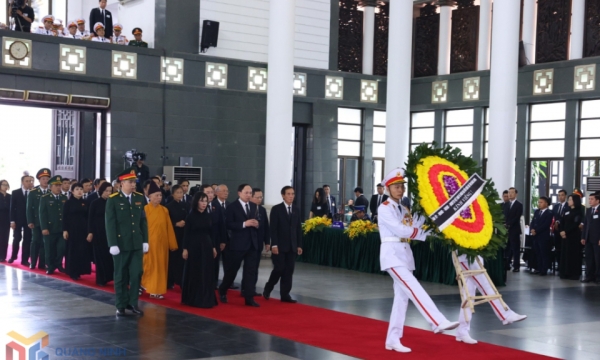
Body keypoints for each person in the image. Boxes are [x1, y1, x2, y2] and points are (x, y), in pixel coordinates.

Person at [378, 168, 458, 353]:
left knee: (401, 299)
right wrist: (419, 232)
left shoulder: (404, 208)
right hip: (392, 254)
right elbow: (401, 230)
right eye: (396, 187)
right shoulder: (384, 208)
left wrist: (433, 223)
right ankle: (437, 321)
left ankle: (393, 339)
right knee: (414, 288)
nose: (400, 190)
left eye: (402, 187)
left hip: (404, 254)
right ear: (388, 189)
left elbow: (414, 225)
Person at [455, 254, 527, 344]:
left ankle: (462, 330)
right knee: (485, 286)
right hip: (465, 256)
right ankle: (505, 314)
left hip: (474, 254)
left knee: (468, 292)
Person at [106, 168, 148, 316]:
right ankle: (121, 304)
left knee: (136, 273)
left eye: (134, 182)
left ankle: (133, 303)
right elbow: (110, 223)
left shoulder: (139, 198)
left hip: (136, 243)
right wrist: (112, 243)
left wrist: (145, 240)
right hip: (120, 243)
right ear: (122, 183)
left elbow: (143, 221)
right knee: (120, 275)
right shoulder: (113, 199)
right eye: (130, 182)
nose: (133, 185)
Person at [218, 184, 260, 307]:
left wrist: (257, 224)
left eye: (250, 193)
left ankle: (249, 297)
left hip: (252, 244)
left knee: (250, 272)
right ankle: (223, 290)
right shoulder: (232, 207)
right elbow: (228, 224)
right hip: (237, 244)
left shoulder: (254, 206)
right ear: (239, 193)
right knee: (232, 270)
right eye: (246, 193)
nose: (249, 195)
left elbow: (259, 221)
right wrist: (244, 224)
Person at [263, 186, 302, 303]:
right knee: (279, 269)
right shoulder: (276, 209)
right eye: (288, 194)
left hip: (292, 246)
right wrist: (273, 245)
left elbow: (298, 229)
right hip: (279, 246)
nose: (291, 196)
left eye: (293, 194)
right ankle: (268, 287)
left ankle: (285, 294)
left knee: (289, 270)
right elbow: (273, 229)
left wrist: (299, 245)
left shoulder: (296, 209)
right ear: (283, 195)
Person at [181, 192, 218, 308]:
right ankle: (193, 298)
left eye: (206, 201)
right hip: (194, 246)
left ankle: (206, 297)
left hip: (207, 246)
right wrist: (185, 249)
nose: (204, 203)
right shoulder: (191, 216)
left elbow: (211, 233)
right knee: (195, 271)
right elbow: (186, 234)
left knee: (206, 271)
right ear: (196, 202)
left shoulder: (208, 216)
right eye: (202, 201)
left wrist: (213, 247)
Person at [141, 181, 178, 299]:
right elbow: (141, 227)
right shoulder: (145, 209)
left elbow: (169, 228)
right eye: (156, 195)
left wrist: (172, 243)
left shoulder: (164, 210)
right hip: (149, 244)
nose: (159, 197)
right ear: (149, 196)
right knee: (149, 266)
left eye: (160, 195)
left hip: (162, 244)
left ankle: (156, 290)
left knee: (161, 267)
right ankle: (145, 286)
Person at [39, 175, 68, 275]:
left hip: (61, 229)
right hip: (50, 229)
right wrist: (44, 227)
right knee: (49, 249)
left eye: (59, 185)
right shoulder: (45, 198)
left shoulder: (64, 198)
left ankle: (59, 264)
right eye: (56, 185)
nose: (58, 187)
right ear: (50, 187)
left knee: (61, 248)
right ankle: (50, 266)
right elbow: (42, 214)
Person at [62, 183, 91, 280]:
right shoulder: (68, 203)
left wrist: (89, 231)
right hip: (72, 230)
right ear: (72, 191)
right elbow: (65, 217)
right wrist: (65, 230)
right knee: (72, 251)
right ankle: (72, 271)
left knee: (82, 250)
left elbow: (88, 217)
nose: (79, 191)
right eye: (77, 189)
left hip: (83, 230)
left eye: (81, 189)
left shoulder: (86, 202)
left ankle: (80, 270)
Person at [88, 182, 114, 286]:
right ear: (101, 191)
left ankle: (109, 277)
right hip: (98, 233)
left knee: (109, 256)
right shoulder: (95, 203)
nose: (108, 193)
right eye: (106, 191)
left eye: (110, 191)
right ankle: (101, 279)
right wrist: (90, 232)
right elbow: (90, 219)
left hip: (110, 232)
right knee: (100, 256)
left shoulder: (112, 202)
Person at [246, 188, 269, 297]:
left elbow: (266, 227)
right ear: (251, 197)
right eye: (257, 197)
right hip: (247, 243)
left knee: (255, 267)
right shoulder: (247, 208)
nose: (260, 199)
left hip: (258, 243)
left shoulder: (262, 210)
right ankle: (245, 289)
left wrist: (267, 242)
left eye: (261, 197)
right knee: (248, 268)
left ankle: (252, 289)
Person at [165, 184, 189, 289]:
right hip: (173, 234)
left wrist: (185, 222)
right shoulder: (168, 206)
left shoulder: (186, 205)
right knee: (172, 259)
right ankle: (170, 281)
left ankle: (180, 280)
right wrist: (176, 224)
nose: (180, 194)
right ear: (173, 194)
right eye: (177, 193)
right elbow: (166, 222)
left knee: (182, 259)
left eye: (181, 192)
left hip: (183, 234)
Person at [27, 168, 51, 270]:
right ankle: (33, 262)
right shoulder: (33, 192)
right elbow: (29, 208)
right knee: (35, 242)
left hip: (48, 223)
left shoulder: (51, 192)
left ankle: (42, 263)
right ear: (39, 180)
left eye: (47, 179)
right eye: (43, 179)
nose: (46, 181)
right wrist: (30, 221)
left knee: (45, 243)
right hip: (36, 222)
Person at [9, 174, 33, 266]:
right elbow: (12, 208)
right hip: (18, 220)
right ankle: (13, 256)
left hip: (29, 220)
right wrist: (12, 221)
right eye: (27, 181)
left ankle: (25, 259)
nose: (29, 183)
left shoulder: (33, 192)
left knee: (27, 240)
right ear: (22, 182)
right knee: (17, 238)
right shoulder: (15, 192)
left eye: (30, 181)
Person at [559, 194, 583, 280]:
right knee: (565, 254)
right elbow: (562, 221)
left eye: (570, 200)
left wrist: (566, 231)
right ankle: (564, 272)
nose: (568, 201)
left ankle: (573, 273)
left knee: (572, 254)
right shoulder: (566, 210)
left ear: (574, 201)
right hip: (565, 236)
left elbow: (575, 224)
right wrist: (561, 231)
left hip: (573, 236)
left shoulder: (578, 211)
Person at [530, 196, 553, 276]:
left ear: (546, 204)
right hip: (535, 236)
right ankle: (538, 268)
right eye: (539, 202)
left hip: (543, 236)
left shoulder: (549, 213)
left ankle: (544, 269)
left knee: (544, 253)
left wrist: (536, 231)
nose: (539, 204)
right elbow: (532, 222)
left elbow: (546, 225)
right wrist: (532, 229)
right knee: (537, 253)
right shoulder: (537, 212)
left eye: (541, 202)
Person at [581, 192, 600, 283]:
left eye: (592, 199)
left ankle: (598, 277)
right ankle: (589, 276)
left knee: (598, 259)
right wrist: (583, 237)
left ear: (598, 200)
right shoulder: (588, 210)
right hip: (588, 238)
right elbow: (585, 225)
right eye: (589, 199)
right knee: (589, 258)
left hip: (597, 239)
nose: (590, 201)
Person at [505, 187, 523, 272]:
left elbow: (516, 217)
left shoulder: (519, 205)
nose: (510, 194)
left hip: (514, 230)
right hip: (506, 230)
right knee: (507, 248)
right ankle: (507, 264)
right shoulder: (507, 204)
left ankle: (516, 266)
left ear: (516, 194)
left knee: (515, 249)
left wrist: (508, 224)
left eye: (512, 192)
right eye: (509, 192)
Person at [552, 190, 568, 268]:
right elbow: (553, 217)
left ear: (565, 196)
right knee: (557, 247)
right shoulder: (556, 206)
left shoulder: (568, 206)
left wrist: (558, 221)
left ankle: (563, 265)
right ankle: (558, 264)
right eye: (559, 195)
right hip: (556, 230)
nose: (560, 197)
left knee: (563, 248)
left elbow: (565, 218)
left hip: (564, 230)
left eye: (562, 195)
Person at [0, 180, 11, 262]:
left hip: (6, 220)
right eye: (3, 184)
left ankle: (3, 256)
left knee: (5, 237)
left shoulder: (10, 196)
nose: (5, 186)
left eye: (6, 184)